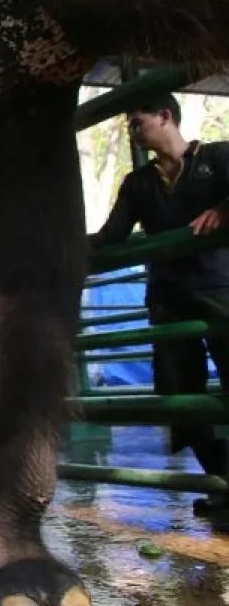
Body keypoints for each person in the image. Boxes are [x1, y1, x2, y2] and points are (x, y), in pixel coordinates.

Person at [88, 92, 229, 516]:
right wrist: (61, 249)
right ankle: (224, 481)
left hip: (220, 290)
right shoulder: (138, 184)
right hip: (168, 300)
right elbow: (111, 236)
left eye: (136, 122)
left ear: (165, 116)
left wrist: (225, 209)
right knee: (178, 399)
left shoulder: (219, 159)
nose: (131, 130)